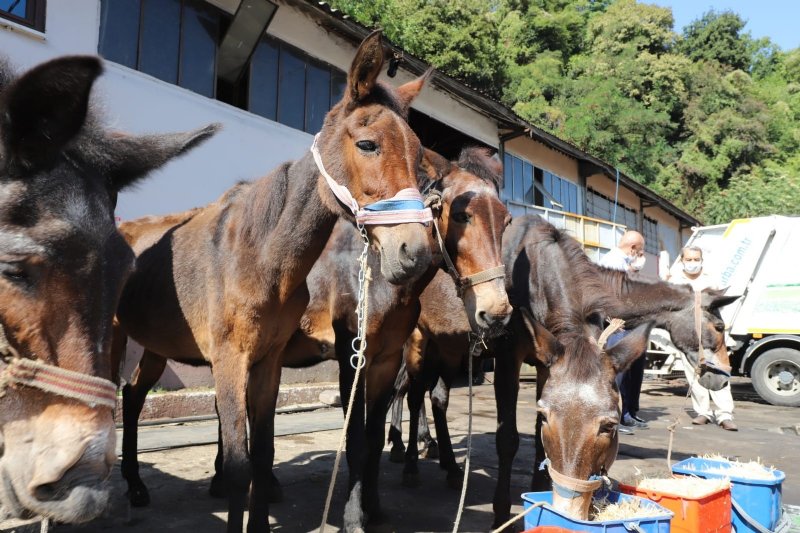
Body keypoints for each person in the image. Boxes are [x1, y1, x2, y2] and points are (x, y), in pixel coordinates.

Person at [669, 246, 738, 431]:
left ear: (701, 260)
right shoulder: (674, 281)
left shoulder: (711, 279)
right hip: (688, 334)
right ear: (682, 261)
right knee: (694, 374)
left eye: (696, 259)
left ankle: (725, 415)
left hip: (710, 334)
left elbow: (718, 305)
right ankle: (703, 412)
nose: (693, 263)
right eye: (689, 259)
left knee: (719, 370)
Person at [599, 230, 648, 434]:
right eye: (640, 251)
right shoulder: (611, 260)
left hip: (634, 323)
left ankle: (629, 413)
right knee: (618, 373)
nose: (640, 255)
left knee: (634, 372)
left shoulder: (625, 262)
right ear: (633, 248)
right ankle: (613, 417)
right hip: (619, 325)